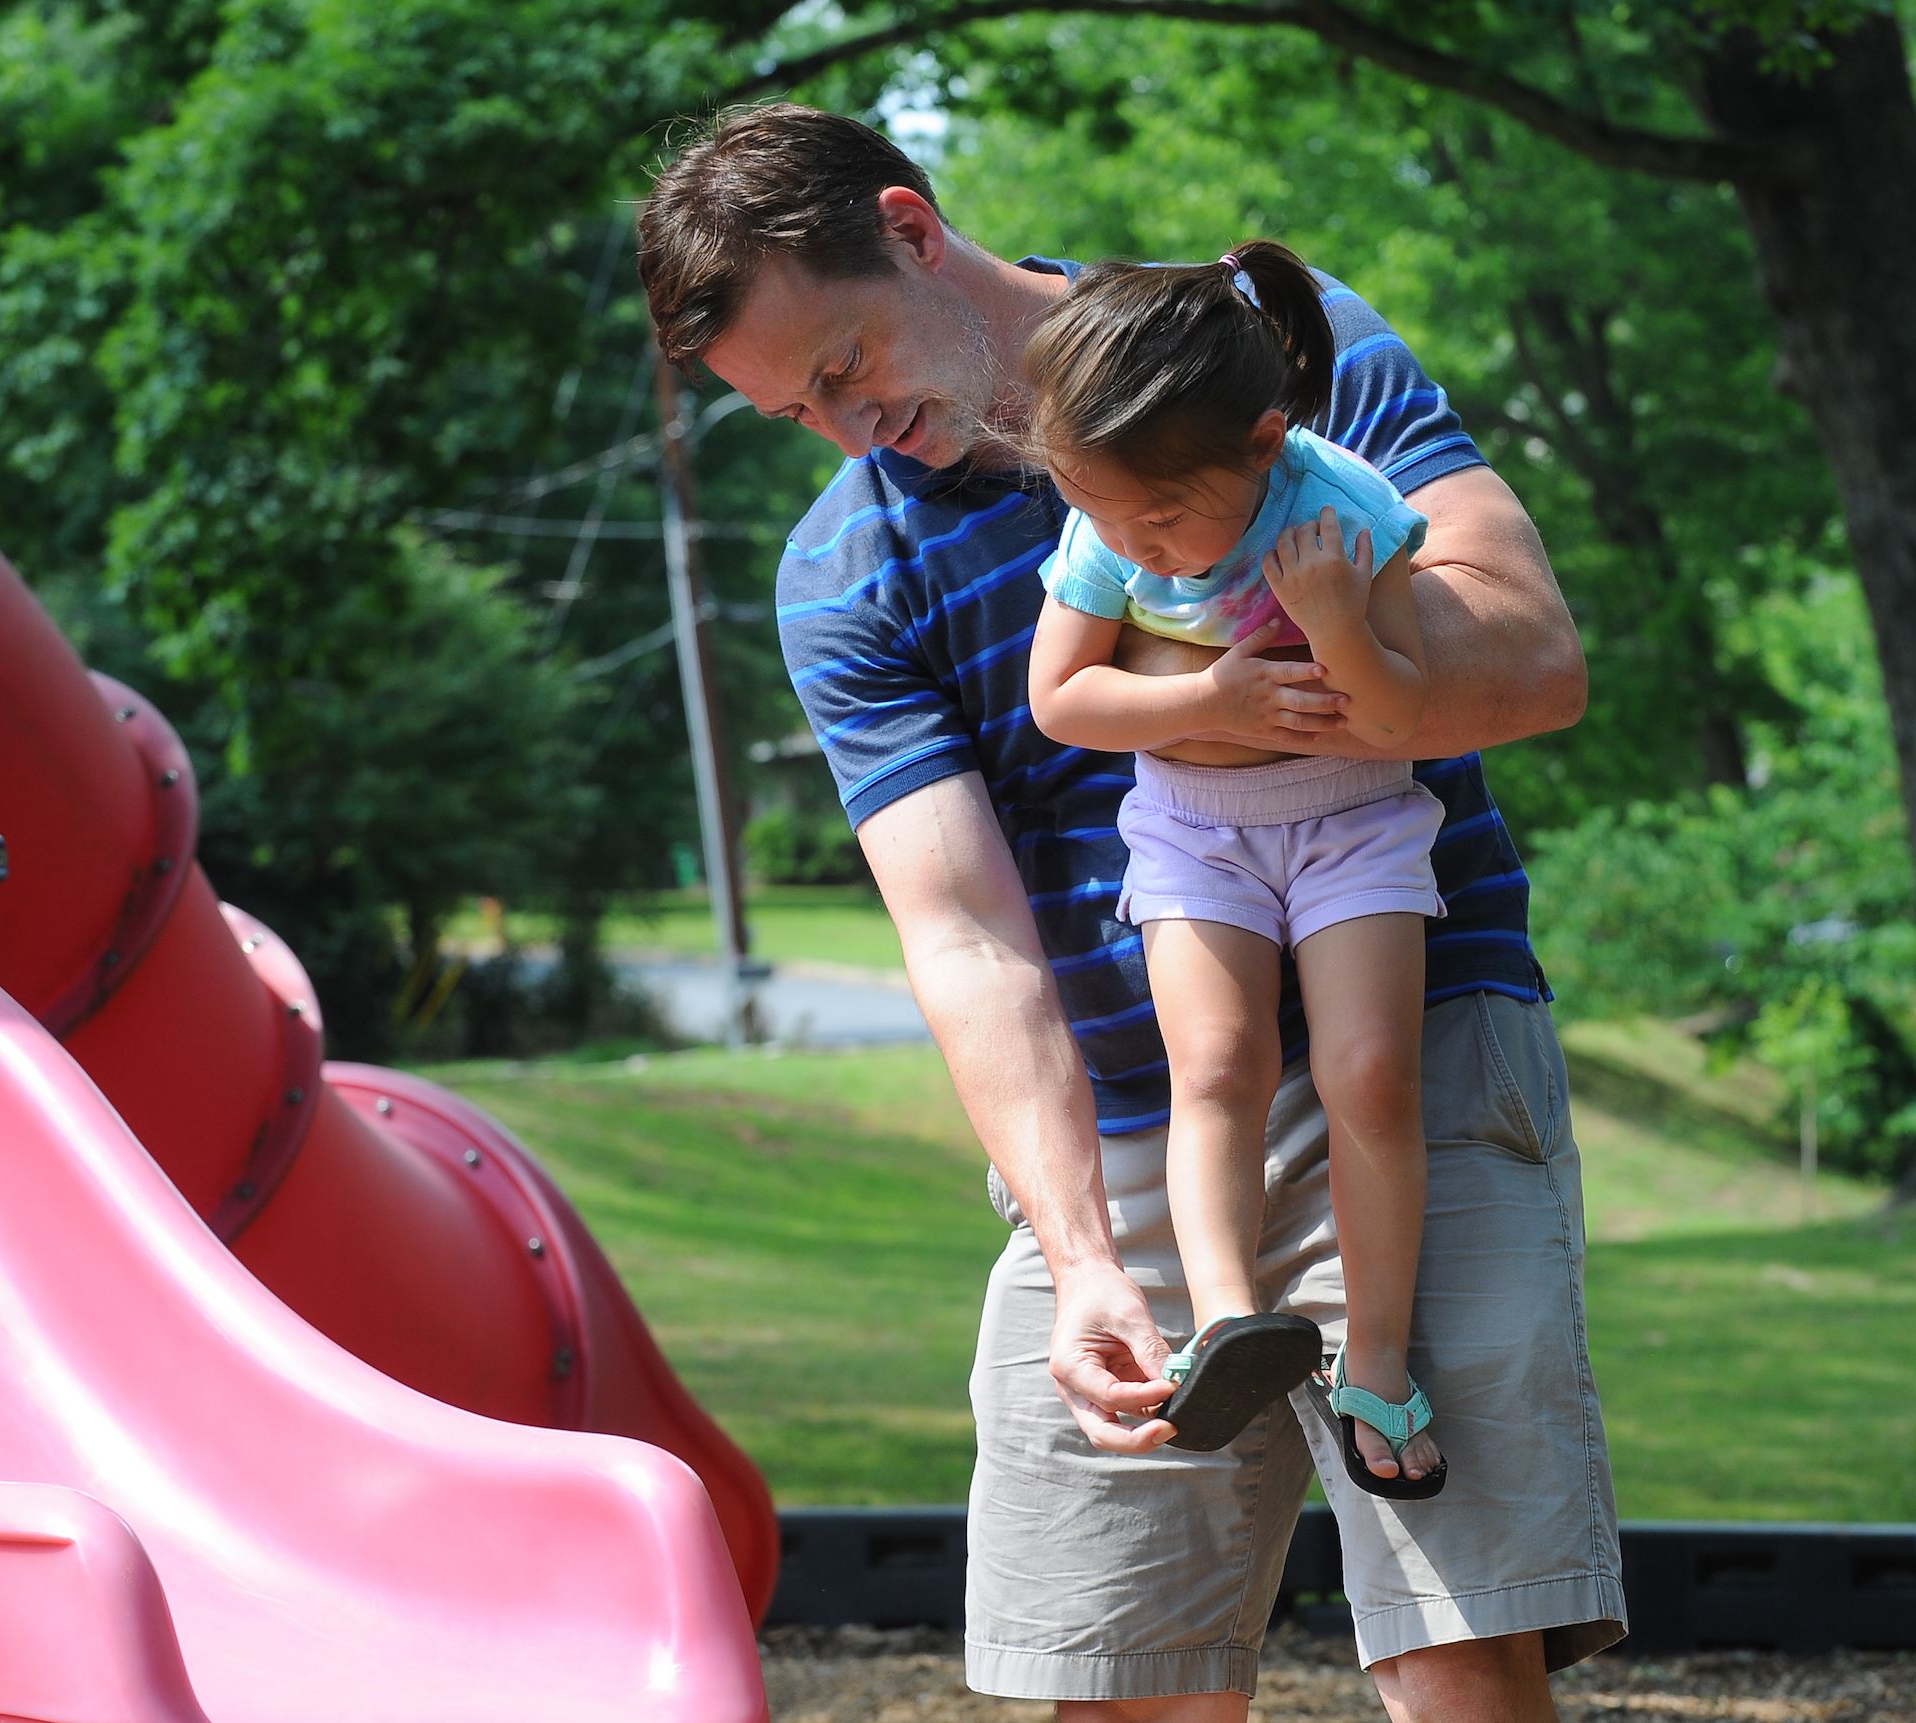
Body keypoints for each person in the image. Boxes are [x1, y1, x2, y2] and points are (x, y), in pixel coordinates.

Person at [638, 103, 1625, 1718]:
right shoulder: (845, 573)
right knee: (1112, 1669)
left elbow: (1530, 661)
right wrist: (1080, 1245)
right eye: (789, 412)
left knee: (1459, 1644)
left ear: (908, 224)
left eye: (843, 365)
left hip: (1415, 1044)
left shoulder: (1254, 352)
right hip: (1127, 1128)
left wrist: (1254, 696)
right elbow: (964, 935)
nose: (847, 427)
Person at [1018, 242, 1448, 1496]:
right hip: (1194, 826)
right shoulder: (1108, 527)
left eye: (1159, 517)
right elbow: (1060, 700)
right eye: (1104, 515)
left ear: (1263, 443)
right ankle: (1228, 1327)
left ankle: (1374, 1361)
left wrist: (1330, 625)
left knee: (1372, 1075)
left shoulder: (1347, 516)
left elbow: (1403, 713)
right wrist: (1210, 694)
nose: (1137, 548)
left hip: (1352, 816)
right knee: (1216, 1064)